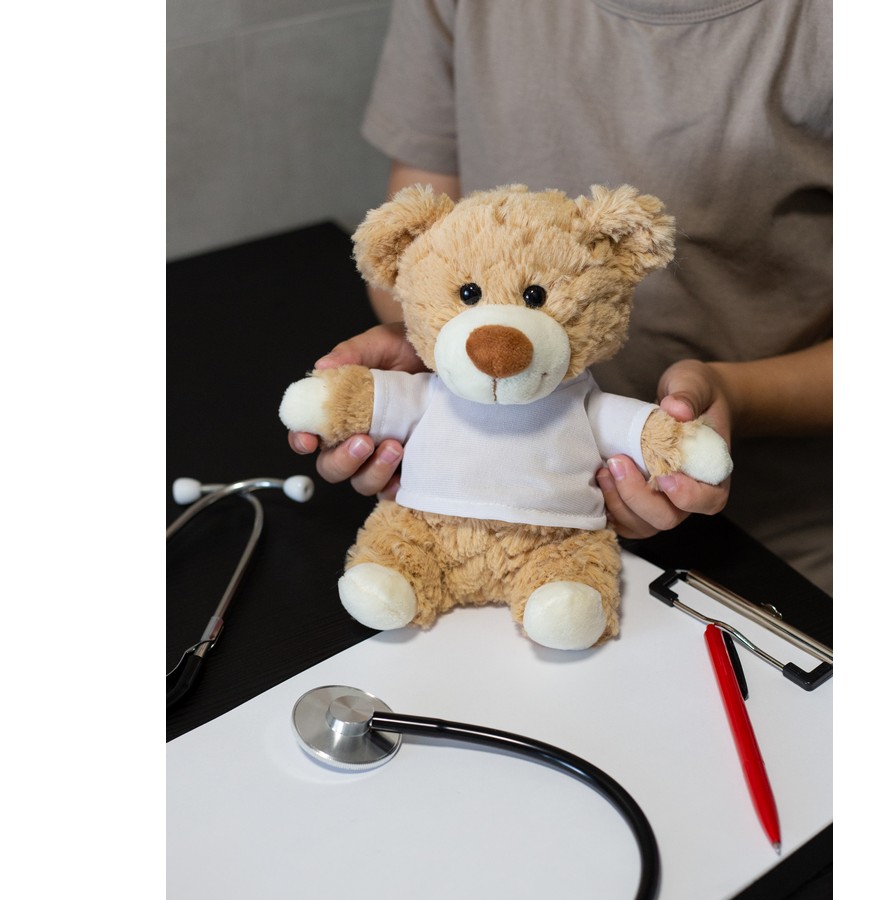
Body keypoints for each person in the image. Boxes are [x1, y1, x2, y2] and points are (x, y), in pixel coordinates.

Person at [288, 0, 833, 594]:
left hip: (778, 525)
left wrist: (733, 398)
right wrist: (422, 361)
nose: (499, 344)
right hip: (468, 504)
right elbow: (413, 245)